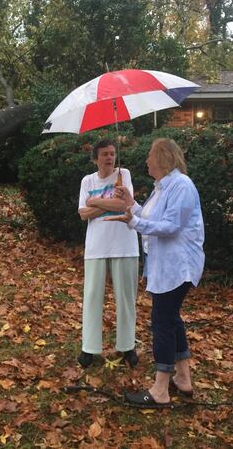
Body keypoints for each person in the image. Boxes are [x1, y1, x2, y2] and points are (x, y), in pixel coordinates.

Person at [106, 138, 204, 408]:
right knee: (171, 318)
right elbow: (151, 219)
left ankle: (160, 389)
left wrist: (134, 221)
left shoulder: (182, 185)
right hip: (165, 265)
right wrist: (131, 203)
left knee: (162, 320)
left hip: (178, 265)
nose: (147, 160)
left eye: (150, 155)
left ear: (163, 158)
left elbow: (171, 226)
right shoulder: (162, 187)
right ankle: (183, 378)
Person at [77, 139, 140, 368]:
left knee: (125, 298)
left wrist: (95, 201)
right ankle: (89, 348)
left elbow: (126, 206)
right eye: (104, 154)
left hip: (124, 244)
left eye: (112, 153)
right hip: (96, 247)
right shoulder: (88, 180)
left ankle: (127, 346)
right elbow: (83, 214)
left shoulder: (124, 175)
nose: (110, 158)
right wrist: (109, 202)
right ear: (95, 158)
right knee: (92, 296)